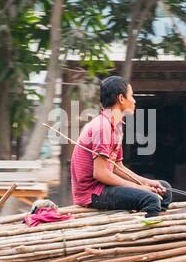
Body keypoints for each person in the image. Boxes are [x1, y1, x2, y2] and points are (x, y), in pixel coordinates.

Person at [71, 75, 172, 221]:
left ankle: (156, 220)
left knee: (165, 189)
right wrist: (138, 188)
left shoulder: (116, 126)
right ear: (121, 98)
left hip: (104, 187)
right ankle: (148, 232)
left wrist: (145, 182)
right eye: (132, 96)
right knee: (151, 200)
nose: (134, 100)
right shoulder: (102, 127)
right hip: (93, 193)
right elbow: (100, 173)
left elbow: (117, 166)